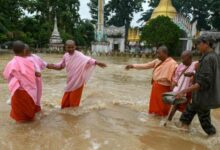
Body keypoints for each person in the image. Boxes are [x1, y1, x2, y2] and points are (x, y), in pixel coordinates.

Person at [176, 35, 220, 135]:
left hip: (202, 97)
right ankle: (182, 140)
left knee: (206, 125)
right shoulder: (213, 56)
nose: (197, 46)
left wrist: (183, 91)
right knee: (186, 117)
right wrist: (193, 74)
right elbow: (208, 76)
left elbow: (203, 82)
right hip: (200, 97)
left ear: (206, 43)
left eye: (198, 44)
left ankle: (214, 141)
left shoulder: (208, 58)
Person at [47, 40, 107, 109]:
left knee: (73, 105)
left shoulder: (79, 55)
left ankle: (74, 118)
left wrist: (97, 62)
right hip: (70, 82)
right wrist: (51, 66)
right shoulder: (65, 56)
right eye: (68, 47)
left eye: (72, 47)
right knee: (64, 105)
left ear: (75, 47)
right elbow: (61, 66)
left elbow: (88, 60)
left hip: (78, 82)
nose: (71, 49)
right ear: (65, 47)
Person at [125, 46, 178, 116]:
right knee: (154, 106)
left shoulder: (173, 63)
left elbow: (176, 76)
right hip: (156, 86)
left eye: (159, 53)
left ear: (165, 53)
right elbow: (146, 65)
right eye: (157, 53)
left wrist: (174, 85)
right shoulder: (157, 61)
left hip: (166, 87)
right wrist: (133, 66)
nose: (157, 55)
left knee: (163, 107)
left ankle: (161, 118)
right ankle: (154, 119)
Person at [3, 41, 39, 122]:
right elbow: (34, 75)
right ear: (24, 51)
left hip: (17, 91)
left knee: (19, 116)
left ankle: (19, 132)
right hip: (29, 92)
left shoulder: (10, 63)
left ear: (13, 51)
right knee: (29, 115)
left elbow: (6, 76)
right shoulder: (29, 62)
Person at [25, 44, 48, 111]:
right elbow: (20, 71)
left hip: (37, 82)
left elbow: (44, 64)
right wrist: (34, 73)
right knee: (29, 97)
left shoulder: (34, 56)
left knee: (38, 97)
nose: (26, 51)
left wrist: (58, 66)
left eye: (27, 50)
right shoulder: (20, 59)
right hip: (28, 83)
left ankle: (37, 110)